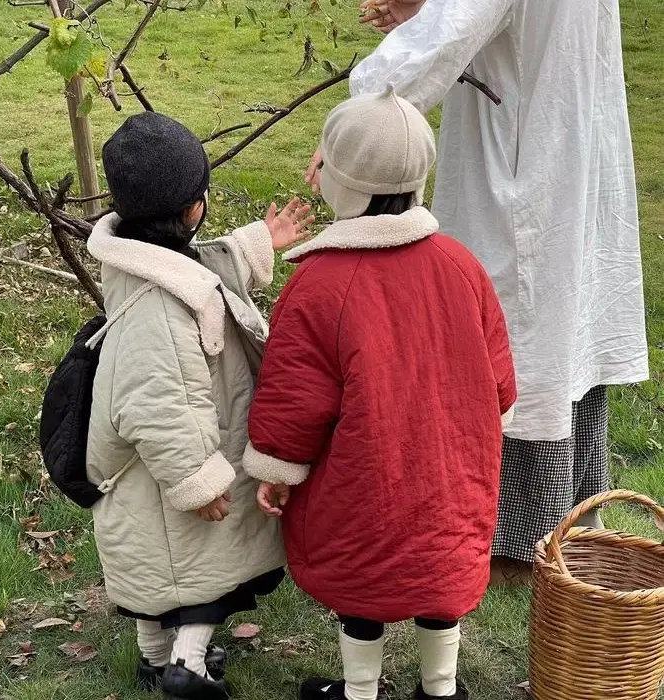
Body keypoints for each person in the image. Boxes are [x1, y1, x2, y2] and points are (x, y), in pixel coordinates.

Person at [306, 0, 650, 582]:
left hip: (528, 158)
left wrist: (356, 128)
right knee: (560, 324)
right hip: (563, 136)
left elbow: (451, 31)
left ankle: (519, 532)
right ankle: (565, 508)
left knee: (518, 329)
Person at [244, 89, 517, 700]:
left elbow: (294, 395)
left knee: (363, 570)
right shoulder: (461, 265)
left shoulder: (319, 285)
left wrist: (277, 467)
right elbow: (500, 383)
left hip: (365, 479)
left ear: (341, 186)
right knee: (438, 563)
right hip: (450, 473)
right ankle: (440, 687)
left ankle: (360, 691)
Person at [85, 111, 313, 700]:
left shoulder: (141, 261)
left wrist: (260, 241)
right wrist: (196, 479)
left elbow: (201, 266)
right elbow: (155, 401)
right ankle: (187, 667)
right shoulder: (154, 308)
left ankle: (155, 659)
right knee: (202, 570)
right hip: (180, 464)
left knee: (166, 567)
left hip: (150, 472)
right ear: (193, 208)